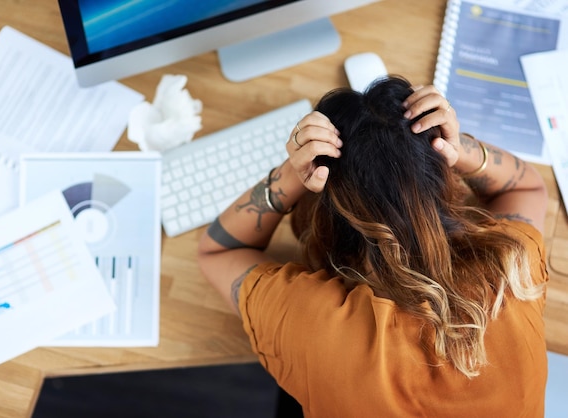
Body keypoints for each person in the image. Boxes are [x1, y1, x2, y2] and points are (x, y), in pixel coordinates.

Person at [197, 76, 549, 417]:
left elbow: (217, 252)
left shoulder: (312, 323)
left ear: (325, 214)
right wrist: (456, 148)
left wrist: (292, 174)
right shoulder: (512, 272)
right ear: (441, 181)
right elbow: (527, 189)